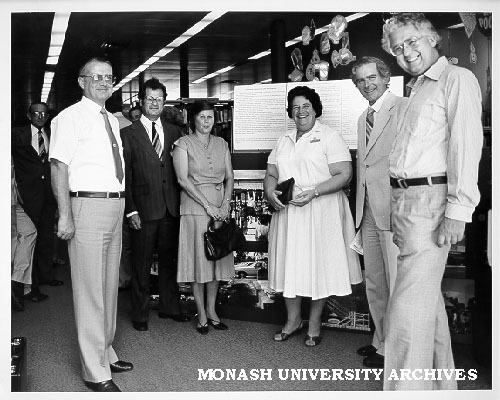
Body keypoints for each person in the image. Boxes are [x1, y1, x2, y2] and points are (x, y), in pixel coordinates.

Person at [381, 13, 483, 390]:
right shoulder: (416, 88)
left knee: (407, 310)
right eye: (397, 48)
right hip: (407, 202)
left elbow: (466, 147)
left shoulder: (457, 80)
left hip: (433, 201)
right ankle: (442, 389)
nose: (405, 53)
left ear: (432, 39)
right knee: (427, 305)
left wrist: (458, 210)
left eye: (411, 42)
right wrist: (397, 208)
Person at [50, 57, 133, 392]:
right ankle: (94, 370)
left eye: (108, 77)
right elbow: (59, 167)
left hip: (115, 204)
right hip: (86, 205)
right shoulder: (69, 118)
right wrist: (65, 214)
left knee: (109, 285)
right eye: (96, 77)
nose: (103, 82)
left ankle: (105, 349)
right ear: (81, 81)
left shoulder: (111, 120)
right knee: (89, 289)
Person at [264, 86, 362, 347]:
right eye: (295, 107)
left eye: (306, 106)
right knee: (290, 266)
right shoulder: (283, 139)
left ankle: (315, 324)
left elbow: (344, 174)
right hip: (289, 213)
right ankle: (293, 320)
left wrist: (314, 192)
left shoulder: (329, 136)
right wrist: (269, 191)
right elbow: (272, 173)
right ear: (290, 112)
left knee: (318, 266)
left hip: (321, 211)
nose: (300, 111)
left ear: (315, 108)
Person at [121, 77, 190, 332]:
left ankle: (170, 307)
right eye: (150, 99)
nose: (154, 103)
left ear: (164, 102)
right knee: (141, 264)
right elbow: (124, 176)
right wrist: (131, 209)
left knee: (169, 262)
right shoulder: (127, 134)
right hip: (143, 210)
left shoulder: (174, 132)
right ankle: (139, 314)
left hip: (170, 209)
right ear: (141, 100)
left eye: (159, 99)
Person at [351, 56, 403, 368]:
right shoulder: (362, 118)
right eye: (360, 80)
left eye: (372, 78)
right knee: (376, 282)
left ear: (385, 78)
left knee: (397, 282)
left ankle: (396, 350)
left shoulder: (404, 108)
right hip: (368, 208)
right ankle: (381, 341)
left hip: (394, 208)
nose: (367, 84)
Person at [172, 100, 234, 334]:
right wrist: (208, 205)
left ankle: (212, 311)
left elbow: (230, 176)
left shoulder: (221, 143)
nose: (206, 121)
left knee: (216, 260)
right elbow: (182, 180)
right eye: (202, 117)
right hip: (195, 207)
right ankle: (201, 314)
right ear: (193, 119)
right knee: (199, 263)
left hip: (220, 207)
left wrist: (225, 204)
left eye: (210, 117)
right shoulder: (183, 144)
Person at [12, 102, 62, 303]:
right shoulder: (17, 135)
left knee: (46, 239)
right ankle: (28, 287)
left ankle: (45, 276)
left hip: (49, 195)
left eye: (44, 113)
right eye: (36, 113)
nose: (40, 116)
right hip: (27, 196)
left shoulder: (54, 134)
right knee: (29, 240)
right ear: (28, 115)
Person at [11, 158, 37, 311]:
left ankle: (15, 281)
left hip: (13, 199)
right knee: (14, 238)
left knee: (28, 231)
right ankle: (14, 283)